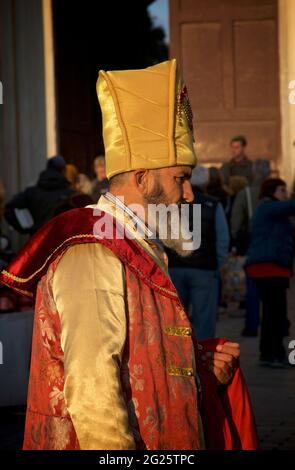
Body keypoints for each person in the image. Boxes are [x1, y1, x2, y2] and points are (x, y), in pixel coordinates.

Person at [0, 60, 258, 450]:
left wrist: (199, 366)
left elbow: (140, 354)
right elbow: (92, 391)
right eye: (180, 178)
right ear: (141, 177)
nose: (188, 194)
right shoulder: (92, 250)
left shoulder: (134, 241)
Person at [168, 166, 230, 340]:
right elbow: (222, 238)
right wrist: (217, 264)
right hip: (205, 269)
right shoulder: (213, 204)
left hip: (175, 267)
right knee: (205, 319)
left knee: (176, 319)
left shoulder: (171, 203)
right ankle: (203, 358)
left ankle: (179, 357)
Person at [246, 178, 295, 367]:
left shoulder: (273, 211)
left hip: (273, 268)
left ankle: (269, 353)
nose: (285, 194)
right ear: (271, 191)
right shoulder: (267, 207)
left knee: (272, 313)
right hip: (269, 268)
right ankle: (274, 354)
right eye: (282, 190)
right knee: (275, 313)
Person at [231, 159, 271, 337]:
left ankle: (252, 325)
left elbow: (236, 222)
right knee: (274, 293)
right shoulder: (278, 193)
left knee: (253, 289)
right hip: (273, 249)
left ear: (253, 173)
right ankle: (275, 326)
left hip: (252, 247)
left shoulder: (246, 193)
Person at [4, 156, 73, 235]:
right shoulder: (70, 194)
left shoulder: (31, 192)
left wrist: (25, 228)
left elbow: (9, 209)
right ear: (63, 170)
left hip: (37, 241)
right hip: (60, 242)